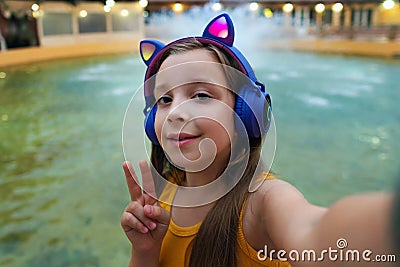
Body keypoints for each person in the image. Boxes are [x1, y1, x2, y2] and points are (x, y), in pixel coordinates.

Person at [121, 14, 397, 267]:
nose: (175, 114)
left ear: (247, 112)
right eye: (165, 100)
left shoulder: (263, 203)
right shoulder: (163, 197)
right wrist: (145, 251)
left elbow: (316, 232)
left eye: (201, 95)